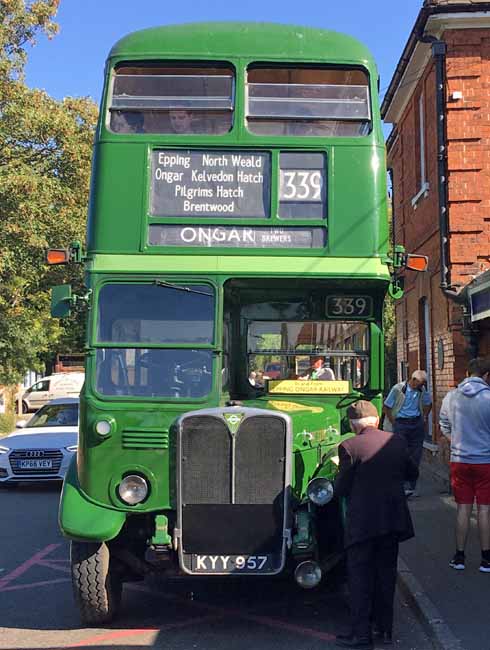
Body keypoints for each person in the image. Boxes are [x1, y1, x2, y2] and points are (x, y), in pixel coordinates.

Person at [335, 400, 418, 649]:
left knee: (360, 578)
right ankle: (385, 630)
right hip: (392, 521)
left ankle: (361, 635)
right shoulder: (398, 442)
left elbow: (341, 488)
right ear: (377, 421)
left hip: (362, 524)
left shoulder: (349, 446)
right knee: (386, 575)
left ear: (352, 425)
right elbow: (411, 473)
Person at [439, 357, 490, 573]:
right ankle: (486, 559)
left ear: (468, 373)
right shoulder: (489, 397)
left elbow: (443, 424)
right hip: (485, 461)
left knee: (463, 508)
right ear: (486, 375)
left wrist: (456, 442)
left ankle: (459, 557)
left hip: (459, 461)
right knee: (484, 510)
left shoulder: (451, 396)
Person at [383, 369, 432, 497]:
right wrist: (394, 422)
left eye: (423, 384)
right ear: (413, 379)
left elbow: (428, 403)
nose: (421, 386)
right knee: (400, 453)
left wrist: (424, 417)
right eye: (420, 383)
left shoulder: (422, 390)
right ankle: (400, 485)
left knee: (415, 455)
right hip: (401, 423)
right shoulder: (398, 389)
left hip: (416, 423)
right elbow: (387, 407)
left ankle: (410, 487)